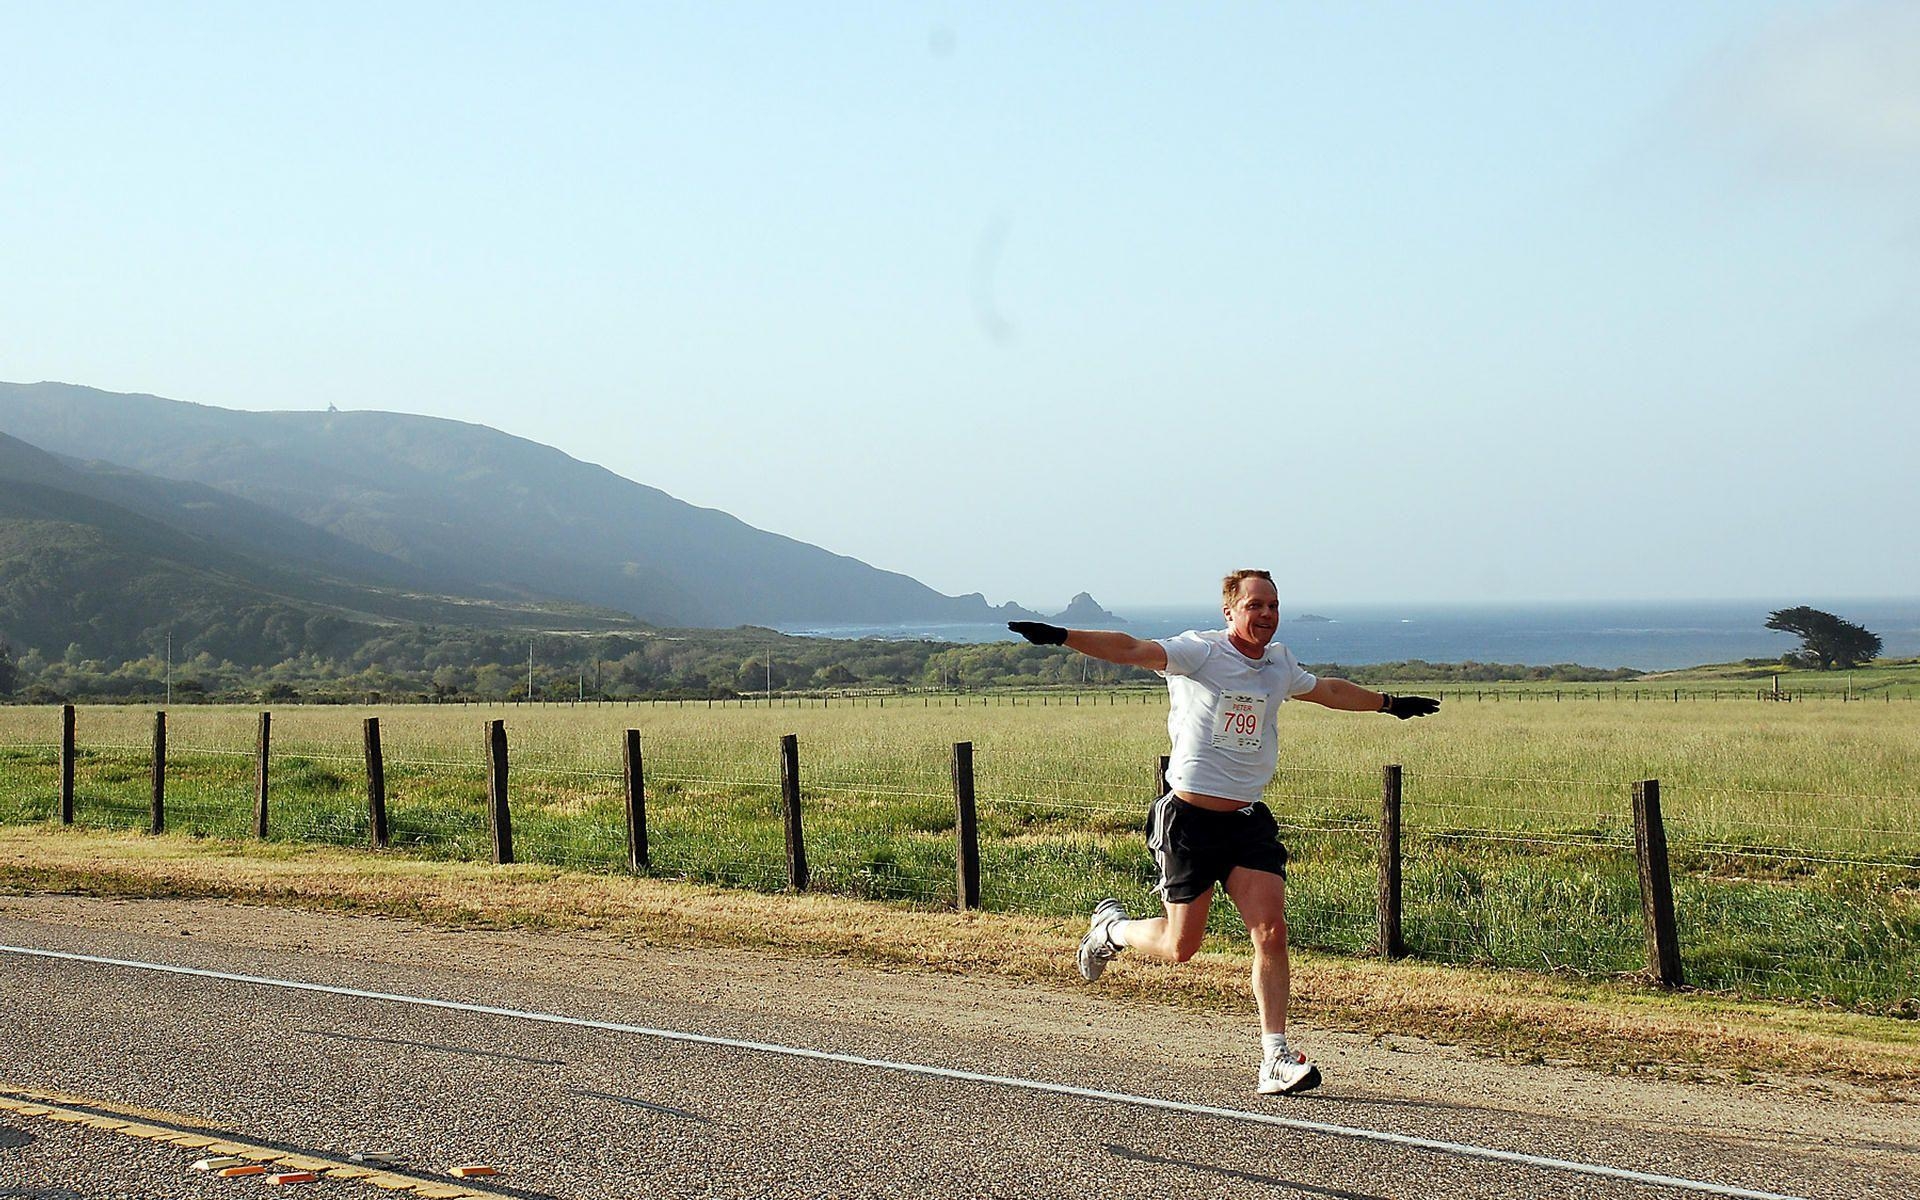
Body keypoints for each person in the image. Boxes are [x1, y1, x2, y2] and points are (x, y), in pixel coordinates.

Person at [1009, 569, 1438, 1096]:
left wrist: (1389, 704)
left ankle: (1274, 1058)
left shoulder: (1278, 664)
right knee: (1180, 945)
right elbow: (1132, 649)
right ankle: (1112, 931)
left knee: (1271, 932)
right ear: (1230, 611)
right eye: (1255, 605)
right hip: (1189, 821)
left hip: (1247, 822)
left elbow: (1325, 690)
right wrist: (1063, 636)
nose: (1266, 615)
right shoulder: (1200, 653)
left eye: (1273, 605)